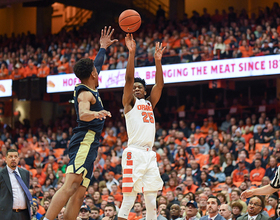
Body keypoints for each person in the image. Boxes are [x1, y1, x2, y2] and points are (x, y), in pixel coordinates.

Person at [43, 26, 117, 220]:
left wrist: (103, 48)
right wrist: (97, 113)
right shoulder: (85, 93)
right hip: (85, 140)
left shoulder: (88, 83)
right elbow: (83, 114)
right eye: (96, 71)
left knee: (79, 192)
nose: (98, 71)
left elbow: (97, 64)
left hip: (90, 143)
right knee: (70, 186)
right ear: (93, 74)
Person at [118, 34, 165, 220]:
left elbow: (160, 85)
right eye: (134, 87)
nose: (136, 88)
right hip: (134, 152)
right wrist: (132, 53)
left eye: (140, 87)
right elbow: (128, 80)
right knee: (129, 198)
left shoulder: (149, 103)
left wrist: (157, 61)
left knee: (152, 198)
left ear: (144, 91)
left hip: (149, 154)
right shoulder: (129, 103)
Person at [0, 149, 32, 220]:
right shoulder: (1, 174)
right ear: (6, 159)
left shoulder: (25, 173)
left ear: (18, 159)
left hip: (24, 214)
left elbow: (26, 192)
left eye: (15, 156)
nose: (13, 159)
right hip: (7, 215)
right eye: (10, 156)